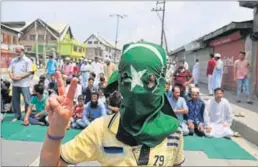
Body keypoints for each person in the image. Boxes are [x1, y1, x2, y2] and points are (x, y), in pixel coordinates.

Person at [39, 42, 184, 166]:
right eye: (127, 81)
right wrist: (55, 132)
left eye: (149, 82)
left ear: (163, 85)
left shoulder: (173, 133)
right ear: (119, 83)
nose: (137, 92)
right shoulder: (101, 129)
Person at [8, 45, 32, 122]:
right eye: (16, 52)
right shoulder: (13, 60)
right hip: (15, 84)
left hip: (24, 84)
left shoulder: (27, 60)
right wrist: (12, 77)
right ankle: (17, 115)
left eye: (19, 51)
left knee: (27, 101)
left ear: (23, 51)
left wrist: (20, 77)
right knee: (15, 101)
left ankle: (27, 116)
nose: (17, 53)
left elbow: (29, 72)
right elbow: (9, 70)